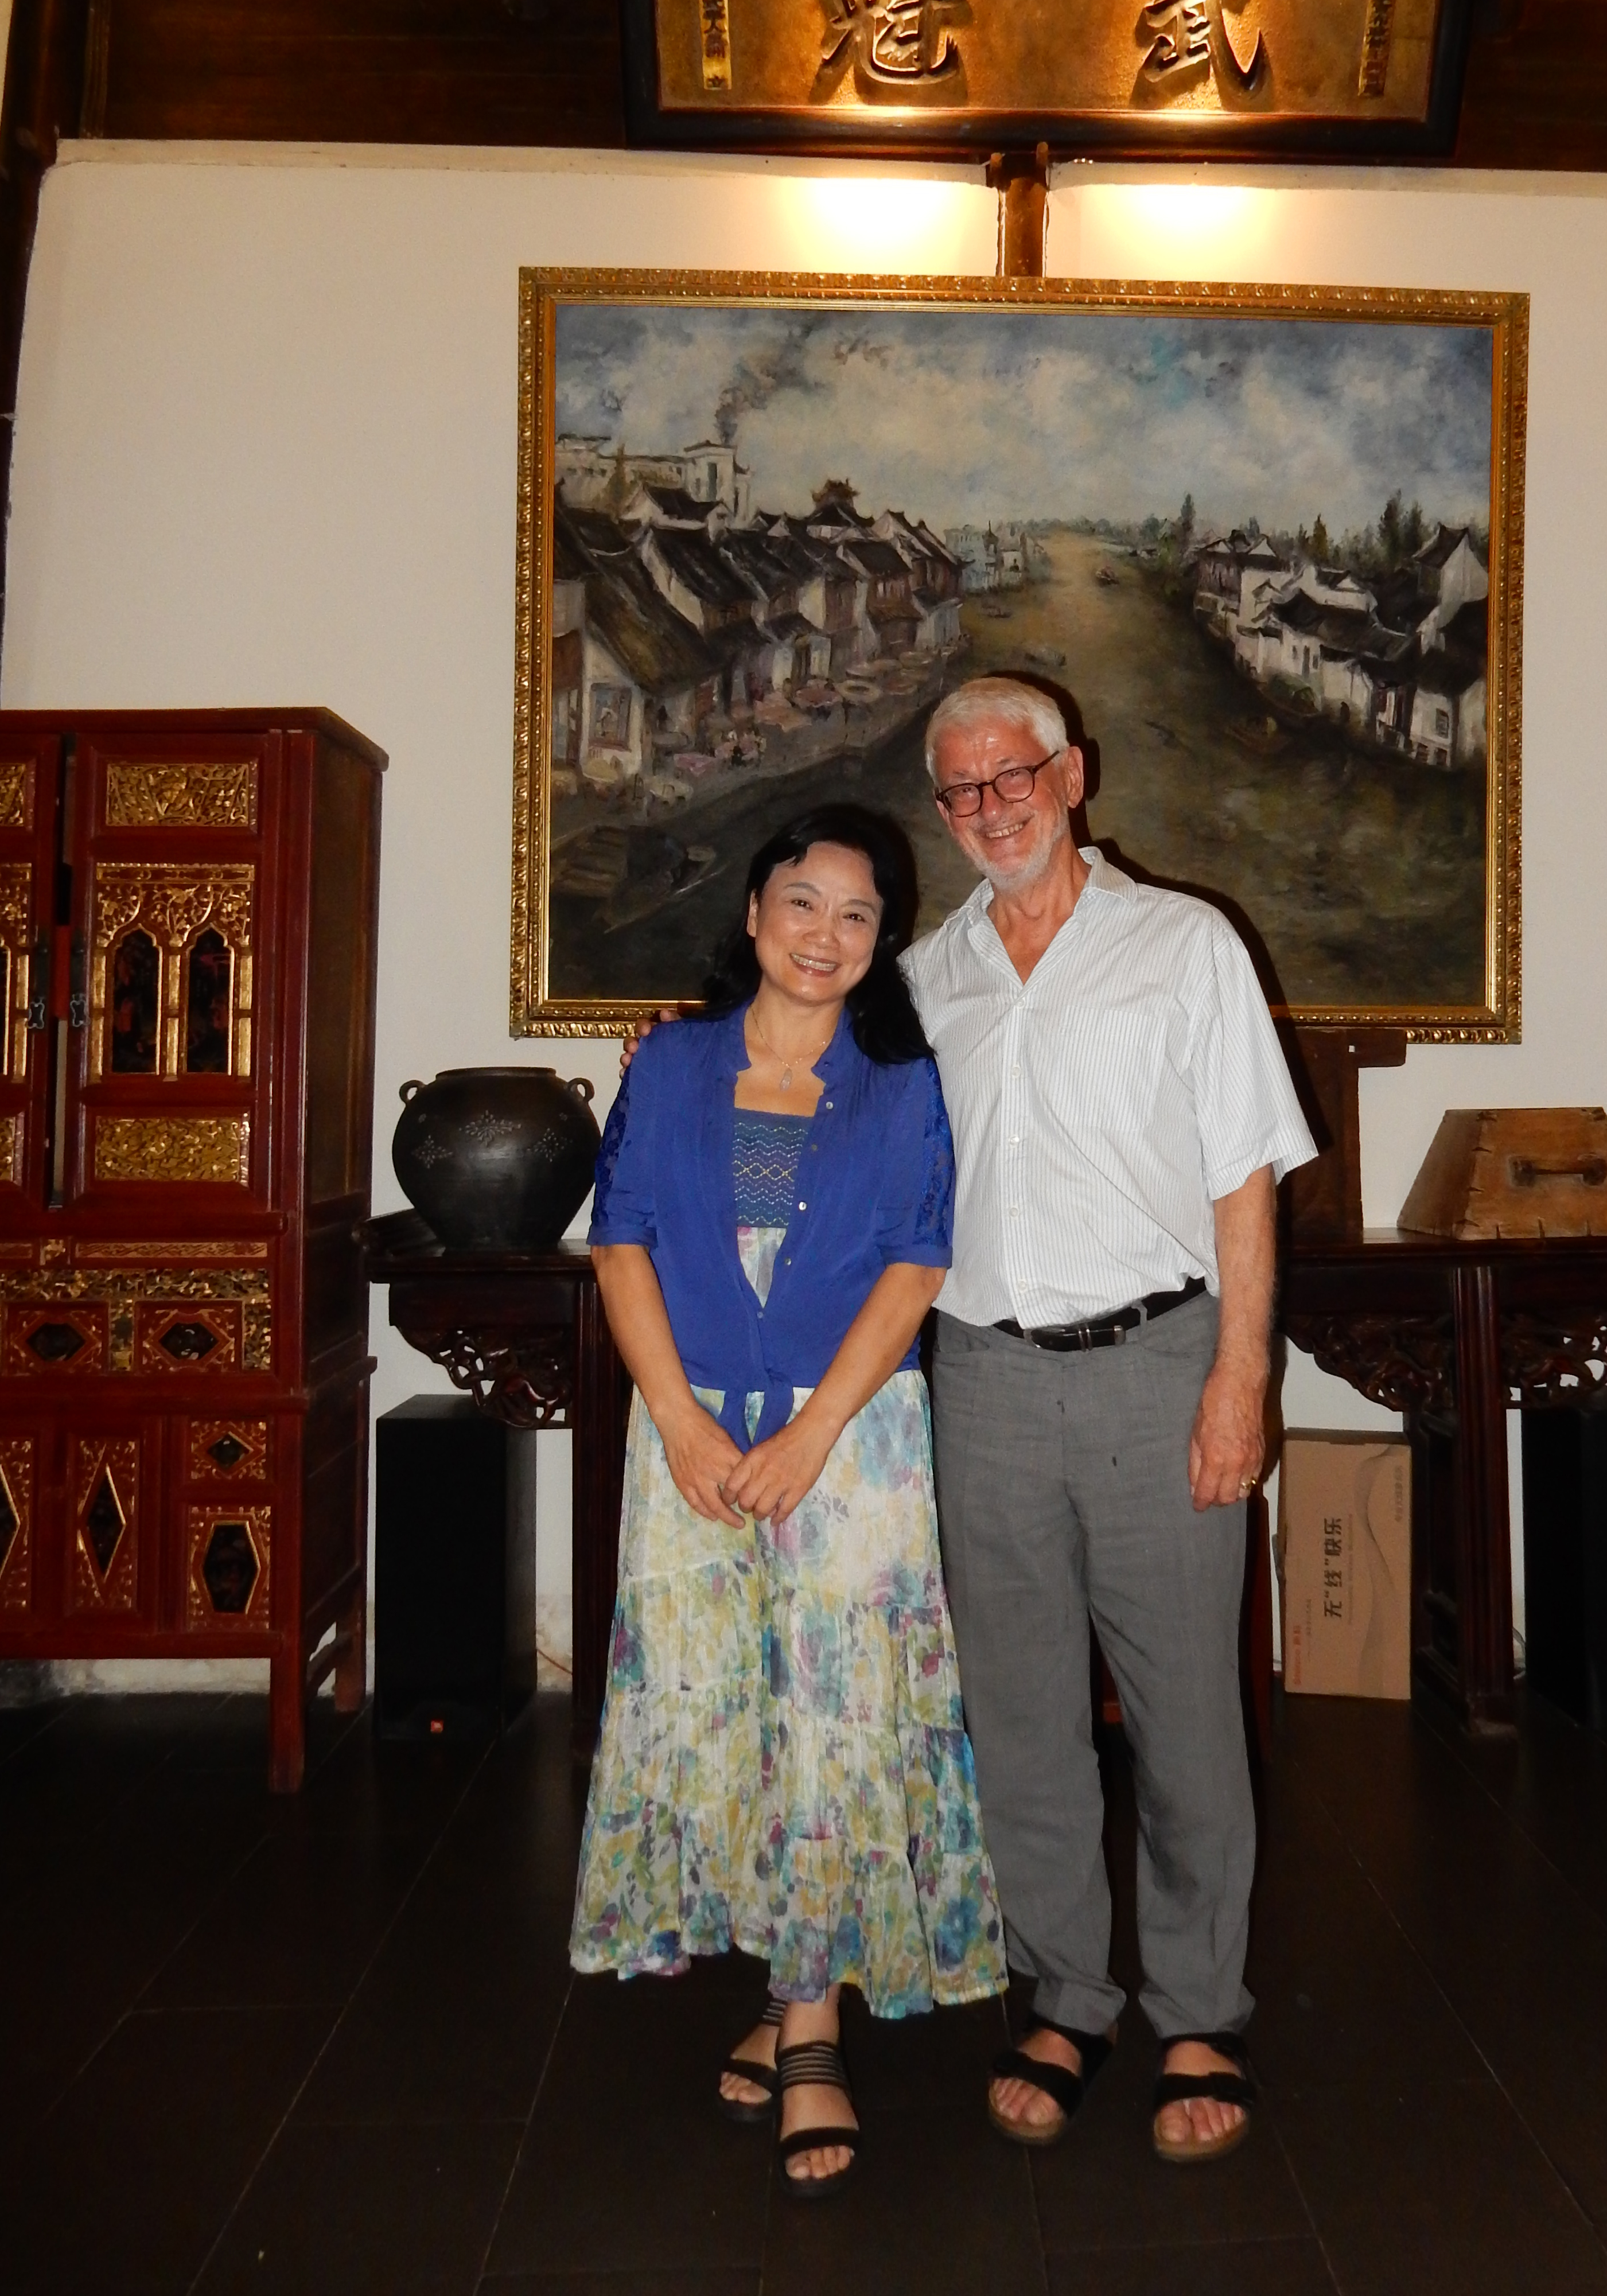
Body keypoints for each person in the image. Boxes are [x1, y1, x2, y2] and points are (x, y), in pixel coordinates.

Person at [569, 803, 1006, 2201]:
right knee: (726, 1704)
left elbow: (918, 1259)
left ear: (883, 942)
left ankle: (810, 2024)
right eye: (803, 903)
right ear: (755, 913)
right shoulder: (671, 1063)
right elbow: (621, 1238)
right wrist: (680, 1421)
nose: (826, 934)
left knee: (835, 1706)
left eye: (858, 915)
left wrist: (817, 1430)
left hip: (851, 1437)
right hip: (689, 1431)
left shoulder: (901, 1081)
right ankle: (782, 1978)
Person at [906, 676, 1315, 2165]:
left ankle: (1199, 2007)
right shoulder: (928, 975)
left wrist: (1241, 1381)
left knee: (1186, 1713)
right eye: (961, 789)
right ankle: (1067, 1993)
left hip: (1160, 1362)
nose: (989, 807)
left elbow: (1244, 1176)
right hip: (985, 1377)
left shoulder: (1183, 946)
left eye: (1012, 775)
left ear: (1072, 774)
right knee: (1018, 1715)